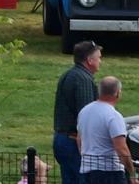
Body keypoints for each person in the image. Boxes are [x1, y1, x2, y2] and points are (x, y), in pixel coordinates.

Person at [53, 40, 102, 184]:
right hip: (74, 142)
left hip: (62, 139)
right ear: (89, 60)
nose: (100, 61)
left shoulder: (69, 75)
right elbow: (86, 114)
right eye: (99, 58)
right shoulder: (83, 79)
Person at [77, 77, 135, 184]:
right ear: (117, 93)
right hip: (110, 172)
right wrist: (132, 173)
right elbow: (121, 148)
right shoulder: (113, 116)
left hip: (86, 170)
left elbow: (80, 140)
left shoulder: (84, 111)